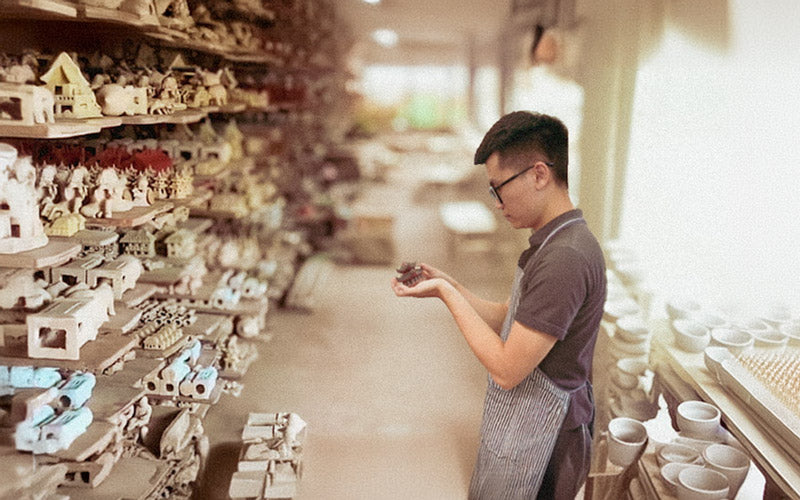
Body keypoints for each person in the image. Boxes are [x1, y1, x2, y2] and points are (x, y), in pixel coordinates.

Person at [391, 111, 606, 499]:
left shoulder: (566, 258)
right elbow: (510, 317)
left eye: (498, 188)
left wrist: (448, 295)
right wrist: (450, 283)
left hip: (546, 440)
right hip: (525, 427)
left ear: (539, 174)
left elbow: (508, 369)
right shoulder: (552, 241)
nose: (496, 203)